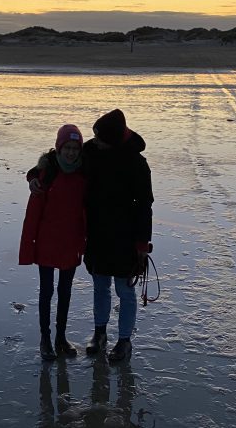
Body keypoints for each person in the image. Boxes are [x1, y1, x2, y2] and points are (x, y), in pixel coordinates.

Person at [29, 108, 153, 363]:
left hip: (125, 238)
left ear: (112, 139)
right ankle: (100, 334)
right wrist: (33, 175)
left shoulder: (137, 164)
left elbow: (144, 205)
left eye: (99, 138)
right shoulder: (93, 152)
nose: (93, 142)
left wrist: (142, 244)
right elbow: (56, 159)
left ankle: (124, 341)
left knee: (124, 289)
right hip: (97, 234)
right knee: (100, 286)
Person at [19, 124, 86, 361]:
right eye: (66, 147)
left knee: (65, 292)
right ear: (59, 148)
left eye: (74, 148)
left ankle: (61, 338)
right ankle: (45, 339)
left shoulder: (83, 173)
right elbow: (34, 212)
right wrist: (30, 244)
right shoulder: (47, 173)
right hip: (47, 242)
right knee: (47, 291)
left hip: (70, 242)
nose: (70, 153)